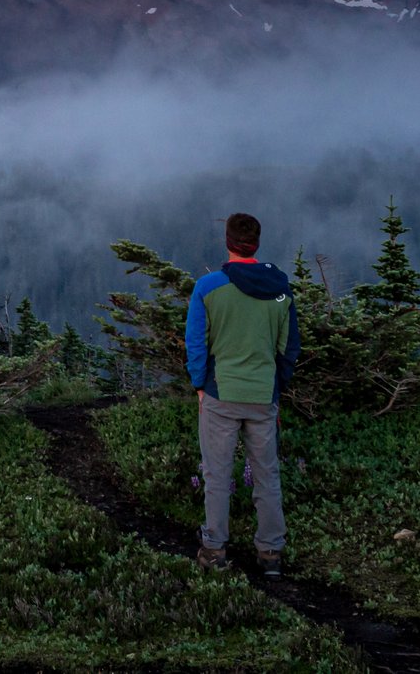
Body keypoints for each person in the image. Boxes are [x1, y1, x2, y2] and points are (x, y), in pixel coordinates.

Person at [184, 210, 298, 577]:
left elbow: (196, 344)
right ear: (256, 244)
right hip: (263, 394)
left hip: (220, 393)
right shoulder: (281, 291)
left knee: (216, 475)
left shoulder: (208, 288)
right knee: (267, 475)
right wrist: (276, 389)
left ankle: (214, 551)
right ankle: (270, 555)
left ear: (228, 243)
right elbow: (288, 348)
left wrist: (200, 385)